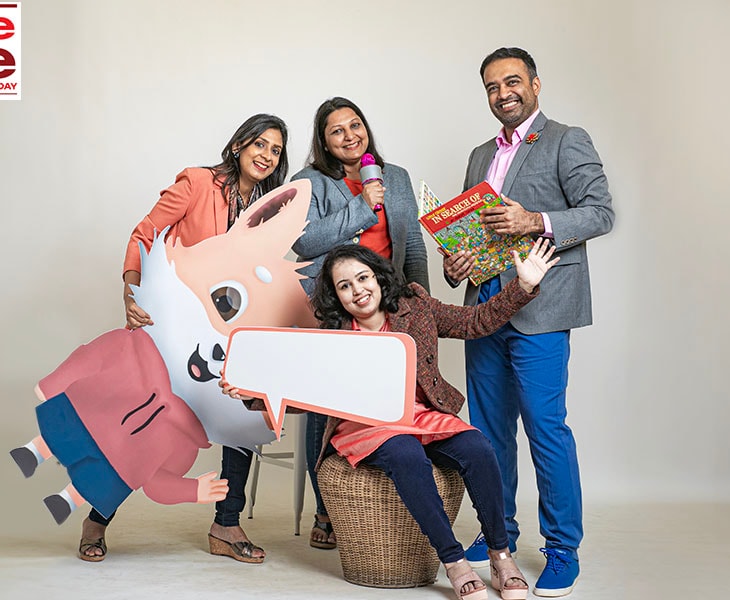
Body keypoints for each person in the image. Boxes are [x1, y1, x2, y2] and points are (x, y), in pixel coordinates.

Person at [222, 241, 560, 600]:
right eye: (345, 286)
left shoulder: (415, 305)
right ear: (336, 297)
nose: (358, 290)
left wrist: (522, 287)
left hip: (420, 414)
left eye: (363, 277)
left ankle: (500, 554)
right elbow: (300, 393)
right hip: (364, 426)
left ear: (379, 277)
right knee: (404, 454)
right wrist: (248, 393)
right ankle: (453, 560)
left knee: (477, 446)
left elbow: (473, 322)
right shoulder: (331, 334)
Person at [77, 113, 290, 563]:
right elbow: (144, 233)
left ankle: (226, 527)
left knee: (242, 421)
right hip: (180, 331)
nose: (267, 156)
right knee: (149, 428)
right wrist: (131, 288)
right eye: (260, 144)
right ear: (238, 145)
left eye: (275, 150)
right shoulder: (197, 182)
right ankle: (97, 518)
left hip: (233, 334)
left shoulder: (266, 209)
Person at [443, 47, 614, 597]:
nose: (502, 93)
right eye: (492, 87)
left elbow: (600, 211)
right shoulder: (477, 155)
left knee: (545, 429)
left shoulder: (568, 139)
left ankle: (562, 548)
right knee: (489, 434)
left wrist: (533, 219)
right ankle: (500, 537)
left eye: (512, 82)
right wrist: (456, 261)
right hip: (484, 306)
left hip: (542, 307)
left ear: (536, 85)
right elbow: (474, 234)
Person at [290, 96, 430, 550]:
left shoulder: (398, 178)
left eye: (356, 125)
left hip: (388, 303)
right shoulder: (308, 182)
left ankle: (381, 498)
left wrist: (419, 299)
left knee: (393, 400)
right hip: (333, 304)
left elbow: (412, 247)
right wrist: (362, 207)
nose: (350, 136)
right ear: (324, 142)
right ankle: (327, 508)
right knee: (327, 405)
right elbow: (304, 241)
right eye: (337, 130)